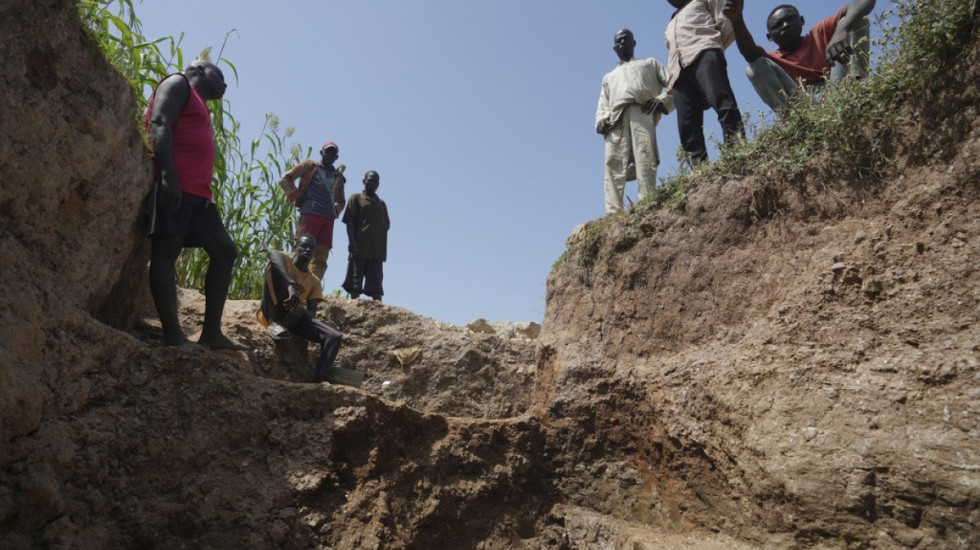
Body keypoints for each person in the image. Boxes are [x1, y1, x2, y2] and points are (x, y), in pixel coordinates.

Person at [144, 60, 246, 350]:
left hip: (200, 196)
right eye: (221, 75)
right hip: (176, 185)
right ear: (200, 70)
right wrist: (167, 176)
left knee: (225, 250)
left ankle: (211, 333)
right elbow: (159, 121)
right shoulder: (178, 84)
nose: (225, 84)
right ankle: (173, 336)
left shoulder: (200, 102)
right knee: (167, 249)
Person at [725, 0, 877, 112]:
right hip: (805, 104)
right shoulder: (772, 60)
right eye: (778, 25)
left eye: (790, 19)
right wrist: (736, 19)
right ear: (769, 37)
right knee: (754, 68)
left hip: (839, 87)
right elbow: (750, 54)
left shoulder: (819, 33)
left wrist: (841, 30)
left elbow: (863, 2)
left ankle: (859, 86)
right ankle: (795, 121)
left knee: (854, 18)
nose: (785, 25)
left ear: (802, 20)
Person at [596, 28, 674, 215]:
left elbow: (673, 83)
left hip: (642, 113)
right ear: (614, 48)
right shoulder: (609, 77)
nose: (623, 43)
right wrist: (600, 121)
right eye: (619, 41)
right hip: (616, 120)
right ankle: (613, 214)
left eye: (626, 40)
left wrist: (662, 101)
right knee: (613, 164)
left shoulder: (650, 64)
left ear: (634, 43)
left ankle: (648, 205)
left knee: (645, 158)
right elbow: (603, 104)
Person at [664, 0, 745, 165]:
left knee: (723, 103)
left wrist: (714, 48)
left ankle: (737, 155)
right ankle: (700, 170)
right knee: (687, 127)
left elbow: (726, 24)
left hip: (705, 54)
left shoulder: (701, 1)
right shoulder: (670, 23)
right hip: (679, 73)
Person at [257, 234, 342, 383]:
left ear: (315, 253)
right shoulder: (285, 260)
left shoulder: (314, 281)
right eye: (304, 246)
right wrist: (291, 284)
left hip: (291, 316)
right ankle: (274, 322)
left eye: (312, 248)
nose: (307, 250)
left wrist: (301, 310)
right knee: (273, 265)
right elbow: (272, 254)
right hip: (272, 309)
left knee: (334, 336)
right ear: (295, 247)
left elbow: (312, 313)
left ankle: (319, 379)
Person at [277, 141, 346, 280]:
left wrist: (335, 212)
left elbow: (341, 200)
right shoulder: (310, 166)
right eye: (328, 152)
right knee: (302, 250)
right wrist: (297, 194)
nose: (330, 155)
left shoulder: (338, 177)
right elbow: (285, 179)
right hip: (310, 213)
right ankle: (294, 283)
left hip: (328, 218)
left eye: (333, 153)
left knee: (322, 256)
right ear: (322, 153)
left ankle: (311, 288)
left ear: (336, 158)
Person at [341, 171, 390, 302]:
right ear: (364, 181)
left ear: (378, 184)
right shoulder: (356, 198)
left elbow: (386, 224)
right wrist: (352, 241)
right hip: (360, 247)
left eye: (375, 181)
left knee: (376, 282)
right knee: (356, 280)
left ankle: (378, 307)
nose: (372, 184)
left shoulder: (382, 204)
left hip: (377, 250)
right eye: (369, 180)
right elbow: (349, 221)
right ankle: (354, 302)